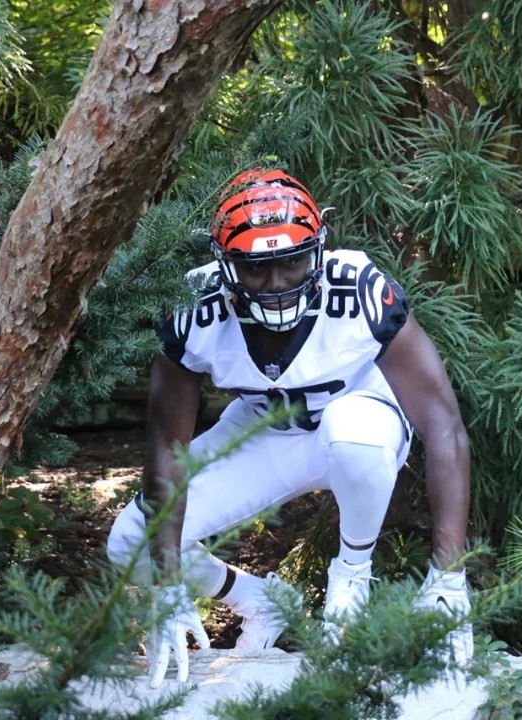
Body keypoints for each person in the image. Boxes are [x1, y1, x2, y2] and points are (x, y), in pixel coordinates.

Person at [106, 168, 475, 687]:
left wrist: (449, 575)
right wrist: (167, 585)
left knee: (352, 434)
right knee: (131, 543)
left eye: (292, 262)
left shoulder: (360, 289)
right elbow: (169, 447)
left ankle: (352, 574)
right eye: (256, 268)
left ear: (319, 249)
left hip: (362, 423)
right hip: (266, 433)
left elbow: (444, 427)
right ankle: (261, 601)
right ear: (223, 262)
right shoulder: (195, 307)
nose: (277, 283)